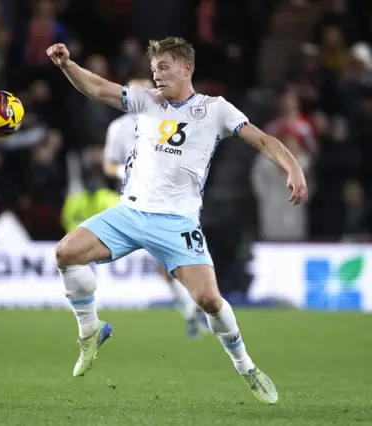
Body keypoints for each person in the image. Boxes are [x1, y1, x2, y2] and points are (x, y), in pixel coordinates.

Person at [46, 37, 308, 404]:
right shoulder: (145, 101)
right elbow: (97, 88)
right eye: (154, 69)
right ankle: (90, 332)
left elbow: (264, 141)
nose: (157, 76)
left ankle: (246, 366)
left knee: (209, 300)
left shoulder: (215, 109)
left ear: (187, 68)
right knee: (65, 253)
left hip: (177, 222)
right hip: (130, 212)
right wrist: (66, 65)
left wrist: (293, 167)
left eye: (165, 68)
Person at [103, 76, 210, 339]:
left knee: (177, 260)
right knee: (165, 263)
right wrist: (125, 171)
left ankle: (195, 309)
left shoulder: (168, 121)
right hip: (138, 202)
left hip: (173, 201)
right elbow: (108, 164)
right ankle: (192, 310)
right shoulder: (118, 128)